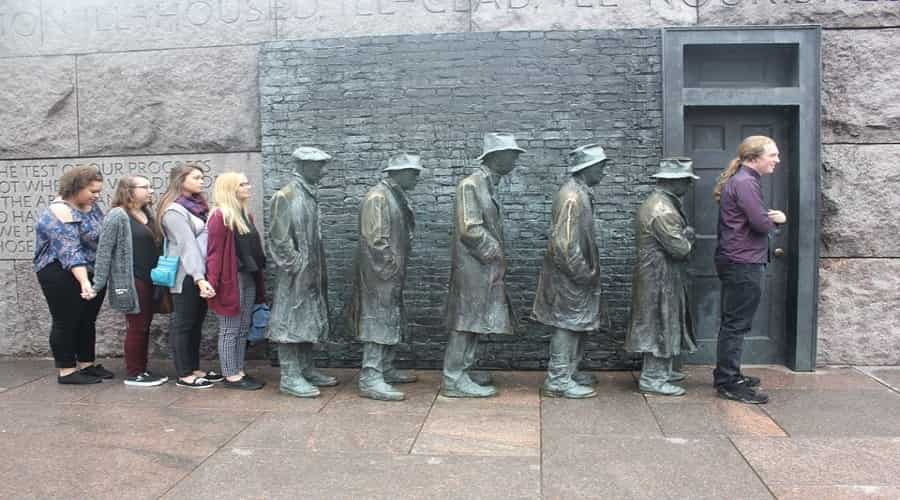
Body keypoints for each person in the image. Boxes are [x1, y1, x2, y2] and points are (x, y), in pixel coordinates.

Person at [442, 133, 525, 398]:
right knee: (466, 321)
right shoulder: (471, 184)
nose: (515, 160)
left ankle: (463, 370)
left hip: (481, 267)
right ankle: (453, 378)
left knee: (475, 321)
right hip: (473, 268)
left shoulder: (487, 184)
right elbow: (470, 229)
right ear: (495, 157)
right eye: (511, 155)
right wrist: (496, 253)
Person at [712, 136, 787, 404]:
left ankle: (727, 373)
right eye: (773, 155)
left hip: (738, 260)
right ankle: (728, 382)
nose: (777, 160)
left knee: (734, 321)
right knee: (736, 324)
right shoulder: (745, 182)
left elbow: (753, 218)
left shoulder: (744, 181)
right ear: (754, 158)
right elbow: (760, 223)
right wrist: (778, 220)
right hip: (742, 262)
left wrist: (767, 217)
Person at [532, 144, 609, 399]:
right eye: (601, 167)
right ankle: (558, 379)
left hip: (577, 274)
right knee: (566, 325)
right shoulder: (572, 197)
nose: (604, 173)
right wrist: (582, 273)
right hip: (569, 276)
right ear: (587, 169)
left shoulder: (581, 193)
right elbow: (563, 244)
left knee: (576, 324)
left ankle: (570, 371)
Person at [348, 153, 422, 401]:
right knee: (377, 321)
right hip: (380, 275)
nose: (417, 176)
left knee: (390, 318)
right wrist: (389, 266)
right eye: (413, 172)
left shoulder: (394, 195)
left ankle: (386, 368)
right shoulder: (378, 197)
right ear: (397, 173)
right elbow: (375, 240)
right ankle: (370, 377)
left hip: (390, 274)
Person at [268, 147, 339, 398]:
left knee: (309, 318)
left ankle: (306, 368)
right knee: (290, 321)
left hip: (311, 270)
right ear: (304, 166)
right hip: (295, 274)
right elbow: (278, 237)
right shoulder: (286, 195)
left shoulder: (309, 194)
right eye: (319, 166)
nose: (323, 170)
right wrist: (296, 264)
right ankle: (290, 376)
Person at [625, 158, 700, 396]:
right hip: (659, 278)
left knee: (664, 321)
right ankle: (653, 378)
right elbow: (680, 249)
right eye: (686, 180)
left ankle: (663, 371)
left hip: (662, 275)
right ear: (673, 182)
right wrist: (689, 236)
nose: (689, 185)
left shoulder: (662, 203)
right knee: (660, 323)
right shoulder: (662, 210)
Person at [34, 165, 113, 384]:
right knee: (65, 320)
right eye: (92, 191)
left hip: (90, 270)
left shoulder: (90, 206)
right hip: (59, 271)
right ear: (75, 188)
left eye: (99, 191)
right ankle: (67, 371)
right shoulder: (60, 211)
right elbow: (70, 250)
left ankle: (87, 365)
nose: (97, 196)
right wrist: (84, 281)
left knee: (87, 319)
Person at [92, 176, 168, 387]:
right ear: (129, 190)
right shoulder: (118, 215)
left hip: (150, 278)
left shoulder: (146, 214)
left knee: (144, 325)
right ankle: (134, 372)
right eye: (145, 187)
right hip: (132, 280)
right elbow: (104, 251)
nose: (151, 191)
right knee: (137, 325)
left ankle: (142, 369)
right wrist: (97, 284)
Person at [157, 164, 223, 389]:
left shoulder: (197, 206)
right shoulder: (174, 211)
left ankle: (194, 368)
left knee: (195, 323)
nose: (201, 181)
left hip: (200, 273)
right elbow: (187, 247)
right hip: (186, 274)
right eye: (196, 177)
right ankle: (184, 374)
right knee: (183, 323)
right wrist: (199, 277)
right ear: (181, 180)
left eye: (202, 177)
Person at [206, 172, 267, 391]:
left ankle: (238, 370)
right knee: (230, 328)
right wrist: (212, 283)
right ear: (230, 189)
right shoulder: (220, 216)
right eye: (242, 184)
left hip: (248, 276)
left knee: (242, 327)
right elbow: (213, 253)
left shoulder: (244, 215)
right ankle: (230, 374)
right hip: (230, 279)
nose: (248, 187)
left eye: (247, 182)